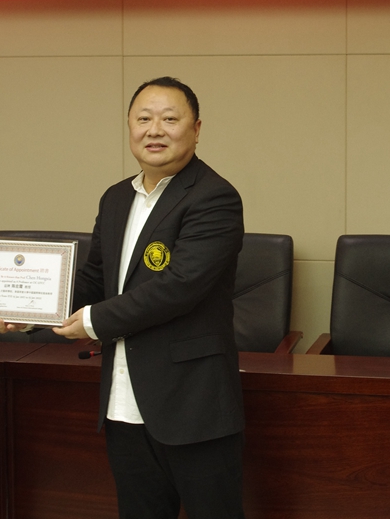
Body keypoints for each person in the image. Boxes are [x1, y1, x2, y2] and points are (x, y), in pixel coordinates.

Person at [53, 77, 246, 519]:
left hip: (193, 405)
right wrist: (27, 310)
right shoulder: (116, 197)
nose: (154, 130)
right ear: (129, 126)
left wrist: (93, 323)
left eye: (169, 119)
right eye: (143, 119)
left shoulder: (215, 197)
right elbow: (94, 280)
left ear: (196, 129)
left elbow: (179, 287)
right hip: (123, 403)